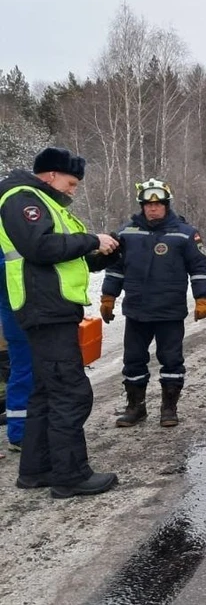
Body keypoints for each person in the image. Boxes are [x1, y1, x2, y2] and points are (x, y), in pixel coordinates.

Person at [0, 146, 121, 498]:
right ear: (51, 174)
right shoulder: (24, 199)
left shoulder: (42, 203)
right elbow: (41, 247)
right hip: (45, 309)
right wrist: (91, 240)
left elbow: (63, 258)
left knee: (45, 390)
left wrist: (102, 253)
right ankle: (70, 475)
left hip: (49, 308)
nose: (73, 189)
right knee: (70, 391)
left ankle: (36, 470)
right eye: (71, 182)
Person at [100, 178, 206, 429]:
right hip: (136, 311)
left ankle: (169, 408)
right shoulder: (126, 233)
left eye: (158, 204)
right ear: (141, 206)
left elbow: (200, 267)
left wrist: (202, 298)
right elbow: (115, 269)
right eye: (148, 205)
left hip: (169, 311)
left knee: (171, 361)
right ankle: (135, 407)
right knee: (133, 361)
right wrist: (109, 296)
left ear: (166, 204)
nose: (153, 209)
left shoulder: (185, 234)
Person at [0, 248, 33, 454]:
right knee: (24, 373)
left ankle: (26, 429)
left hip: (26, 314)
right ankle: (19, 433)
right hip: (18, 317)